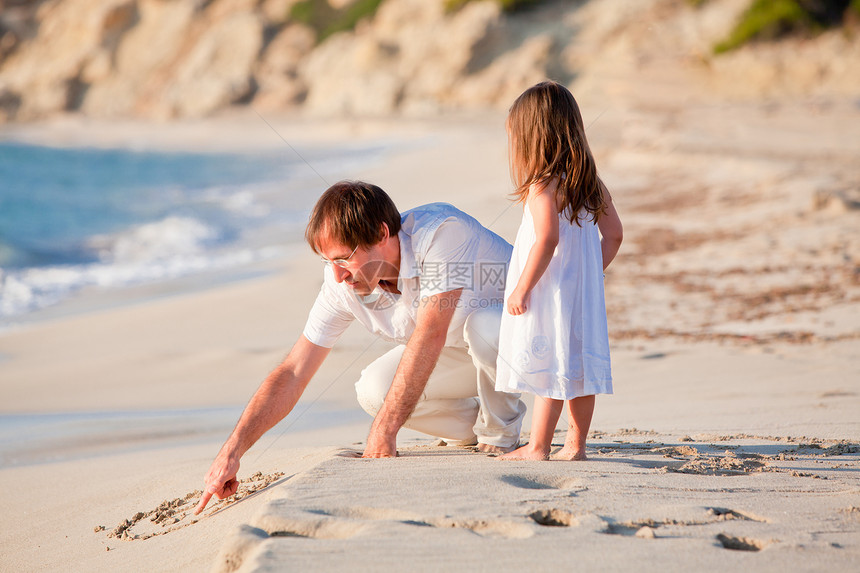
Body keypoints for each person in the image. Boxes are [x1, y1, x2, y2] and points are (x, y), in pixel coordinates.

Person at [195, 180, 525, 514]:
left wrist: (384, 431)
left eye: (343, 258)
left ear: (382, 233)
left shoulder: (442, 233)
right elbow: (294, 370)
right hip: (462, 351)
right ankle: (471, 428)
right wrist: (232, 452)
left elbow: (430, 333)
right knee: (373, 390)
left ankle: (498, 435)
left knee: (485, 324)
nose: (338, 276)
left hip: (528, 342)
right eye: (327, 262)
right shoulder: (341, 281)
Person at [495, 81, 623, 461]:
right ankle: (575, 446)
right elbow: (614, 236)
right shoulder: (591, 184)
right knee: (579, 368)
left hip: (548, 294)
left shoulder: (541, 187)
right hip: (582, 296)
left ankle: (537, 447)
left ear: (532, 140)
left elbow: (547, 239)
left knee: (548, 368)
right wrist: (587, 278)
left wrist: (522, 288)